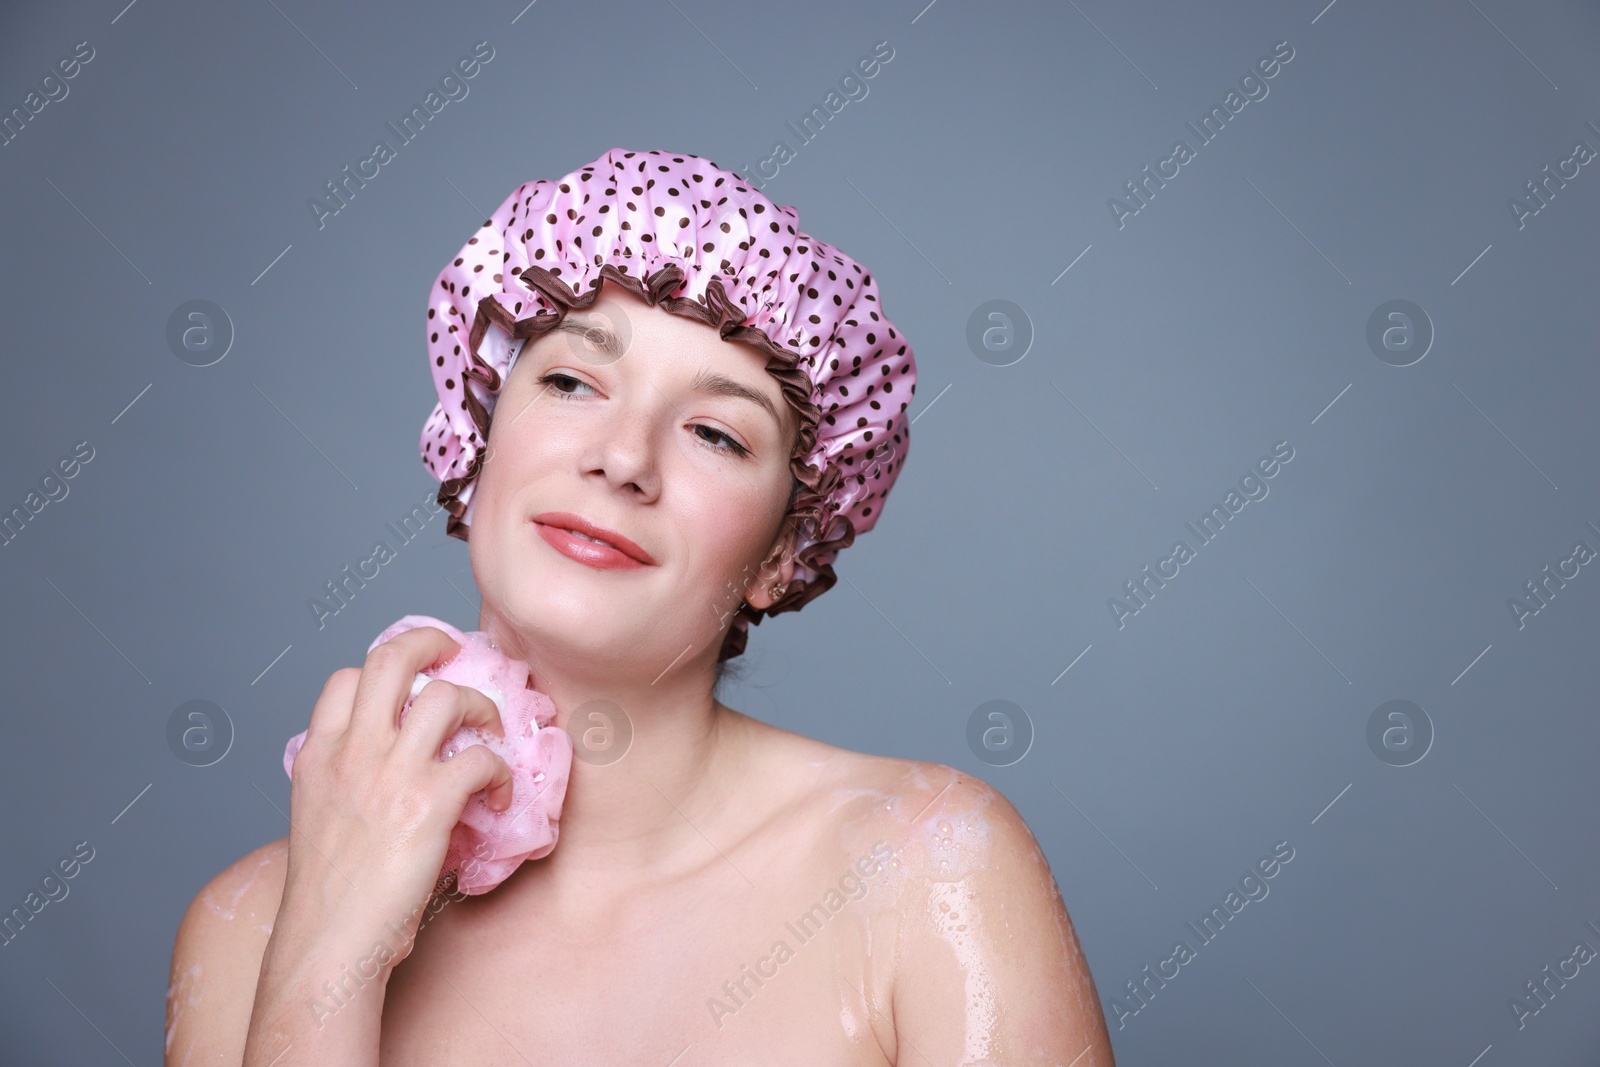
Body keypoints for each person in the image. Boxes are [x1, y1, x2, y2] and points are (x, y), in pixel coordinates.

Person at [166, 148, 1116, 1065]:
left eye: (714, 432)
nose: (623, 457)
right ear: (479, 444)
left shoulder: (929, 868)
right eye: (572, 381)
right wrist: (331, 954)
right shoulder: (251, 927)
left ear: (781, 554)